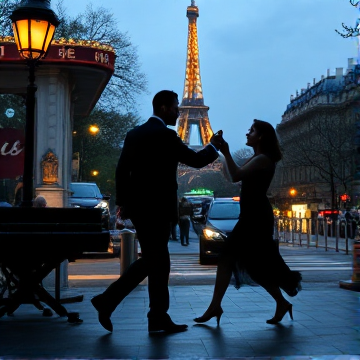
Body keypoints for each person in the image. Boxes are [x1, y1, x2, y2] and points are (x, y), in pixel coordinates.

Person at [91, 90, 222, 334]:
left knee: (158, 262)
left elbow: (121, 171)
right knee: (155, 261)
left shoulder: (134, 134)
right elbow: (194, 160)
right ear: (163, 108)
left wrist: (124, 203)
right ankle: (111, 302)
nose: (178, 113)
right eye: (175, 108)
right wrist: (213, 145)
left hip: (140, 209)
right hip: (159, 210)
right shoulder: (166, 135)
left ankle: (154, 315)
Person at [194, 120, 302, 326]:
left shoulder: (263, 159)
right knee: (255, 265)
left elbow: (235, 176)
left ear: (261, 137)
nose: (247, 133)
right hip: (253, 214)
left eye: (251, 131)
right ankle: (281, 302)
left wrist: (224, 151)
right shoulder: (258, 158)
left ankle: (215, 306)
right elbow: (230, 174)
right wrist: (219, 151)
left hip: (255, 216)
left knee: (228, 258)